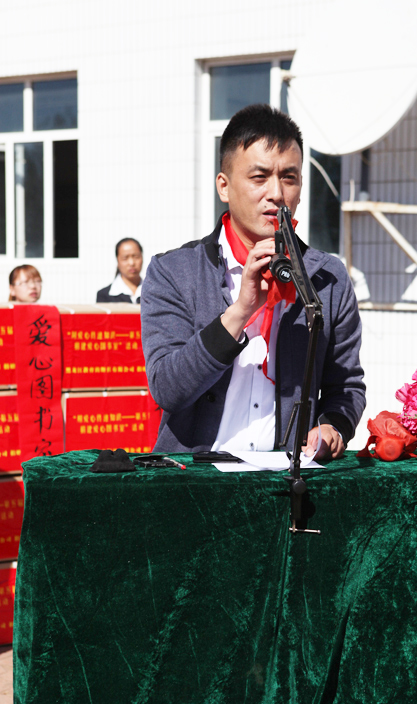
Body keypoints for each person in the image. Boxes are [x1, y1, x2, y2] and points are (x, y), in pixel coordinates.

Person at [141, 104, 365, 459]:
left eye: (289, 177)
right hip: (194, 477)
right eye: (259, 177)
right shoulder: (174, 272)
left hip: (285, 477)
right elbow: (168, 389)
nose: (276, 193)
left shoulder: (328, 278)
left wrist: (333, 426)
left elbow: (346, 386)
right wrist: (240, 311)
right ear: (224, 186)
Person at [96, 238, 143, 303]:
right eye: (125, 258)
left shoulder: (154, 292)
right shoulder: (104, 295)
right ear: (117, 260)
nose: (131, 263)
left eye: (136, 257)